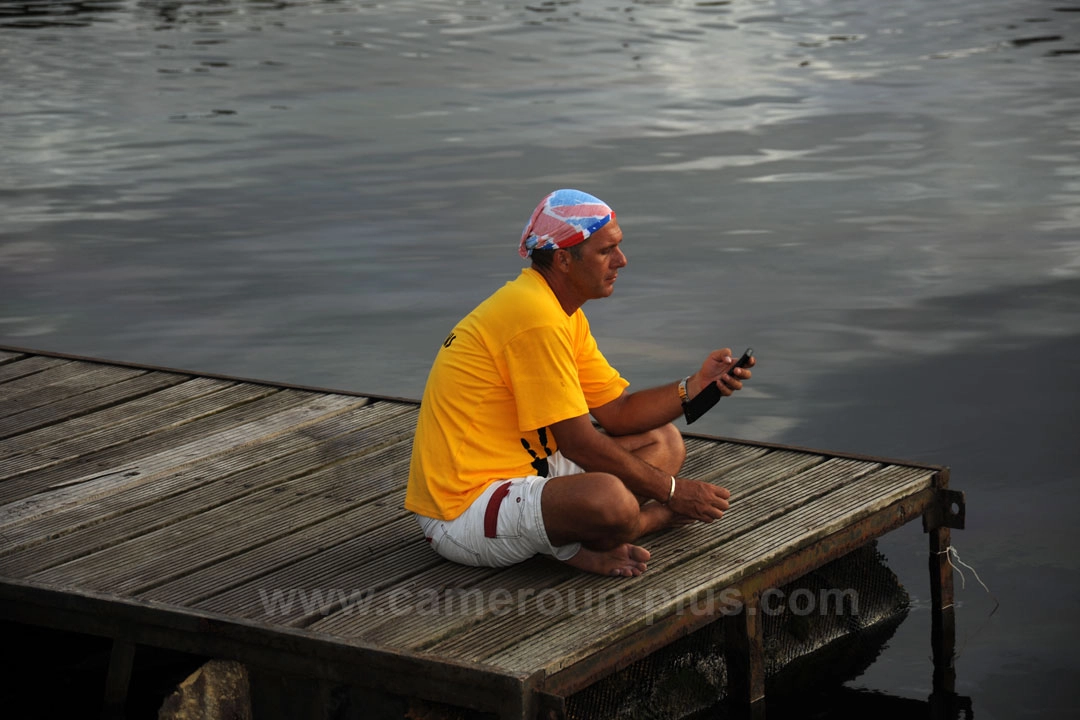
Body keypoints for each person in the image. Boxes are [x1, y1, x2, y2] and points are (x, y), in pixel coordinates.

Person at [404, 189, 754, 578]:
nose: (622, 261)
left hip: (528, 470)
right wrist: (672, 495)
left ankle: (572, 541)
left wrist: (694, 386)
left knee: (663, 441)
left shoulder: (559, 311)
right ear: (564, 260)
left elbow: (618, 414)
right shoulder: (535, 317)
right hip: (462, 510)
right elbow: (579, 444)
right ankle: (643, 524)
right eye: (607, 251)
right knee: (609, 500)